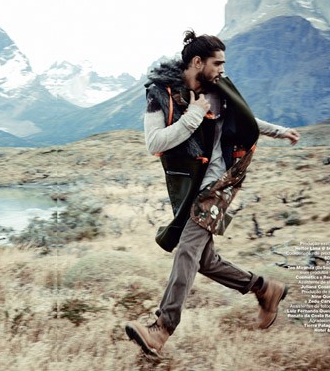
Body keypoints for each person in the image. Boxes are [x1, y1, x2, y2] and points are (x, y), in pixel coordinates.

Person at [124, 30, 300, 357]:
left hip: (223, 181)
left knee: (187, 251)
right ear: (196, 62)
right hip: (191, 182)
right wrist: (194, 114)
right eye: (217, 63)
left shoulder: (219, 89)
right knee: (204, 260)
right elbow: (154, 143)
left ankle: (161, 329)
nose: (222, 69)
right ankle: (265, 289)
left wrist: (278, 131)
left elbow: (245, 118)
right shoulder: (160, 95)